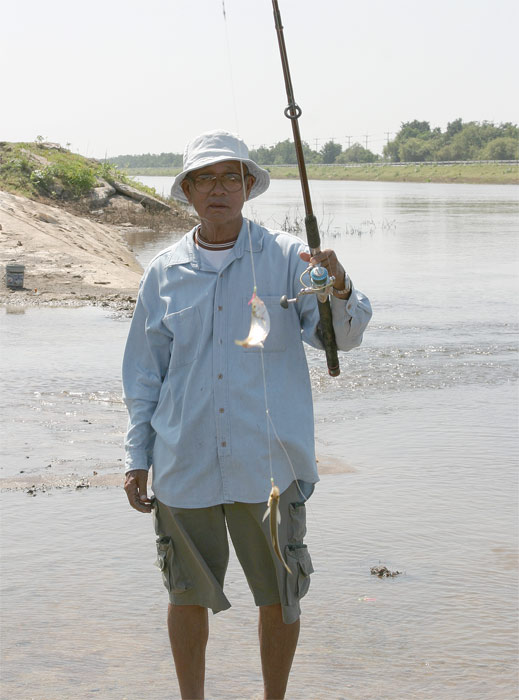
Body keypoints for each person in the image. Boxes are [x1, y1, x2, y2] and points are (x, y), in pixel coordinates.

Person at [122, 130, 372, 699]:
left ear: (248, 188)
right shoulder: (163, 271)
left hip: (269, 468)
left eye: (230, 177)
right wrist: (137, 457)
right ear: (186, 190)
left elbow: (345, 337)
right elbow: (143, 376)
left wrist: (338, 285)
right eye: (205, 179)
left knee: (280, 594)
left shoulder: (287, 257)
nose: (218, 190)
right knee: (185, 594)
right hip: (183, 462)